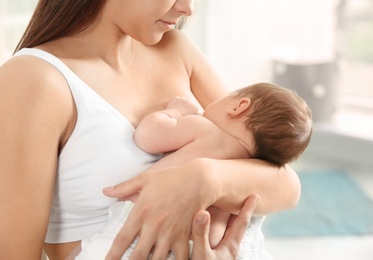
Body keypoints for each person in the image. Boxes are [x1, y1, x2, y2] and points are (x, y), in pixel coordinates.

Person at [0, 0, 302, 259]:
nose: (188, 9)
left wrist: (204, 179)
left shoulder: (177, 50)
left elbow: (286, 184)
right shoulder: (35, 80)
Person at [73, 82, 312, 259]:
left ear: (239, 106)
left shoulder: (205, 130)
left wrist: (176, 112)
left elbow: (147, 137)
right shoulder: (247, 173)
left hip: (140, 232)